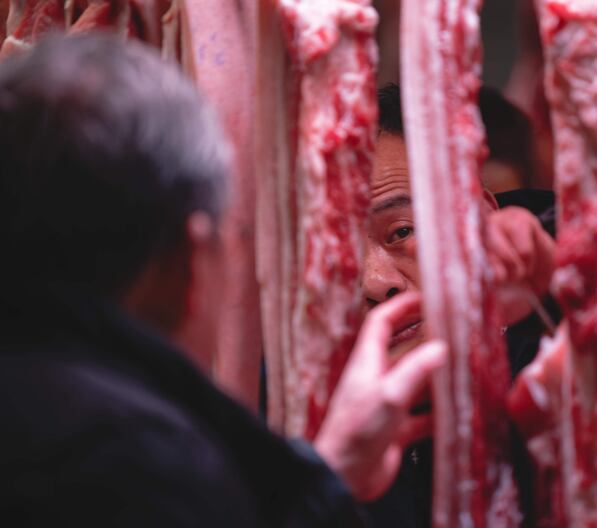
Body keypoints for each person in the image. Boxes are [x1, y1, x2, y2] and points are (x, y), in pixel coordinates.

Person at [0, 34, 446, 526]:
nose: (377, 283)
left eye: (402, 231)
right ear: (191, 255)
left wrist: (331, 478)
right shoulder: (145, 459)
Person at [362, 84, 557, 527]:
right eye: (339, 257)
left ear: (482, 216)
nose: (375, 283)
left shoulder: (560, 343)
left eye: (401, 232)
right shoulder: (312, 416)